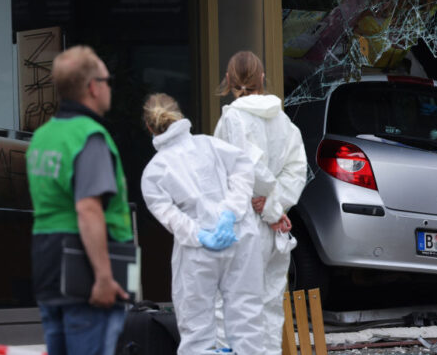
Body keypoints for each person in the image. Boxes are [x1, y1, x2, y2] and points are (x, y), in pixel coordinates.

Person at [26, 45, 132, 355]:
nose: (109, 86)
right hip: (87, 272)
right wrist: (103, 277)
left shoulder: (42, 137)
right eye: (106, 79)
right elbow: (88, 208)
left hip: (48, 265)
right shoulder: (89, 136)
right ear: (92, 87)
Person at [140, 93, 265, 354]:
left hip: (197, 251)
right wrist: (230, 213)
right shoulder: (210, 145)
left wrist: (200, 235)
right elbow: (244, 169)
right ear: (180, 116)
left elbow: (171, 217)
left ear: (150, 128)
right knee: (247, 322)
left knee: (196, 328)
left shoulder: (155, 171)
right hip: (239, 236)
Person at [214, 51, 308, 355]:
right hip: (273, 233)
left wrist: (268, 206)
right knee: (268, 310)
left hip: (241, 225)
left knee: (230, 310)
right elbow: (296, 171)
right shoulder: (284, 124)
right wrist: (276, 209)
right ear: (263, 79)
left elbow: (245, 163)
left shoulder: (233, 119)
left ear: (228, 80)